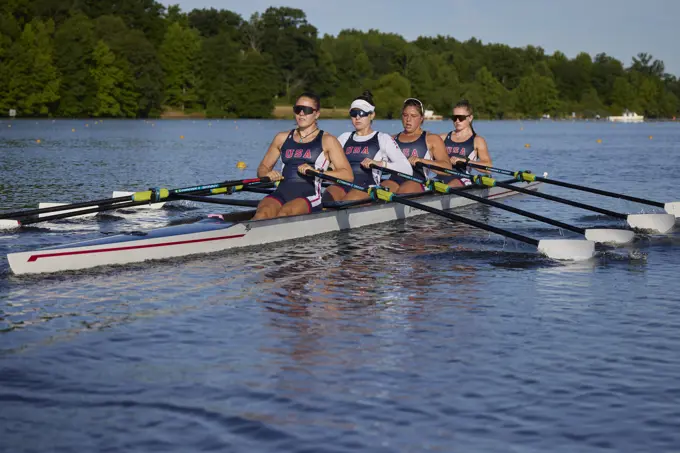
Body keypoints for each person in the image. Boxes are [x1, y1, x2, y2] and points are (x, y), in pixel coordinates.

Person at [253, 93, 353, 219]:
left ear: (316, 114)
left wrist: (317, 172)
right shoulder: (281, 138)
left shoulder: (328, 140)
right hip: (282, 192)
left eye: (306, 110)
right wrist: (266, 174)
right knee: (262, 213)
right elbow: (263, 167)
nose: (301, 114)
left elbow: (348, 176)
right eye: (297, 109)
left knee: (285, 213)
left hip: (309, 196)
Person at [324, 91, 413, 202]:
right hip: (342, 185)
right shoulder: (343, 138)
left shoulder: (382, 138)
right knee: (327, 197)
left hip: (368, 188)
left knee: (347, 201)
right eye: (353, 113)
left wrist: (379, 164)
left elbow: (407, 169)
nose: (357, 117)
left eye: (362, 113)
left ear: (372, 115)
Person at [391, 98, 451, 194]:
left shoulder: (432, 139)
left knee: (404, 190)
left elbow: (447, 168)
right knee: (383, 188)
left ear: (421, 118)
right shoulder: (391, 139)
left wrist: (422, 161)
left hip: (418, 181)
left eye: (413, 116)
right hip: (393, 180)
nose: (408, 119)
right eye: (405, 115)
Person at [439, 99, 492, 187]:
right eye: (454, 118)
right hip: (440, 178)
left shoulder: (477, 140)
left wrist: (465, 161)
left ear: (470, 118)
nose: (457, 121)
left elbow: (488, 167)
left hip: (462, 178)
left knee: (450, 186)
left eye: (461, 118)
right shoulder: (442, 138)